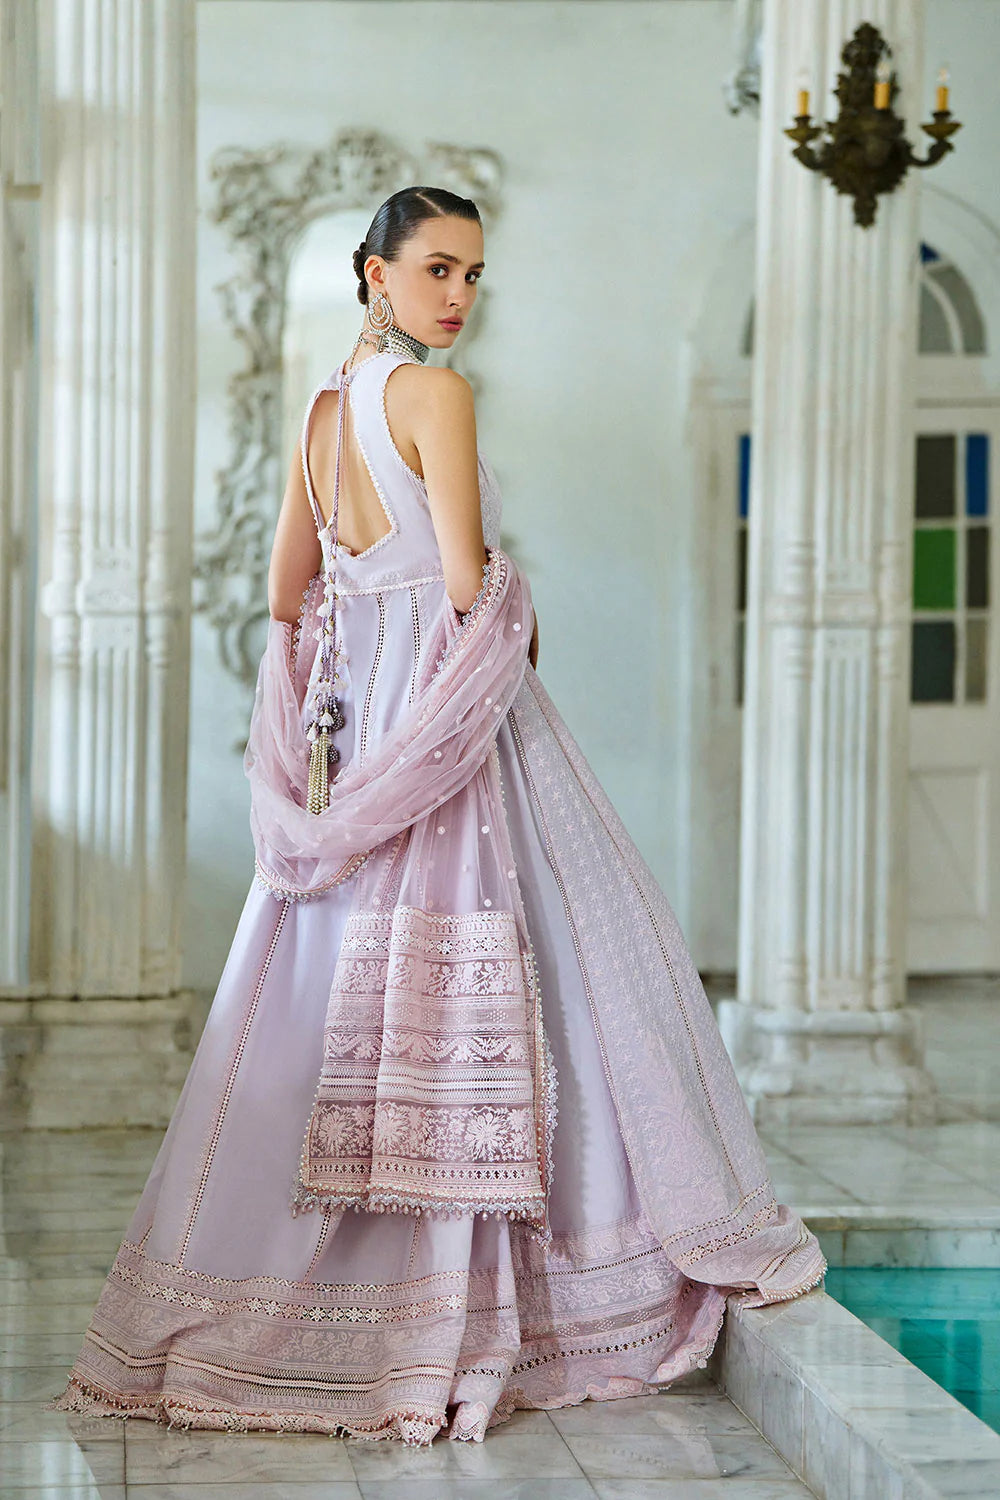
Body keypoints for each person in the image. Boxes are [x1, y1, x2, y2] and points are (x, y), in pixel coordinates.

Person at [51, 185, 824, 1446]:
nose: (458, 295)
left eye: (473, 274)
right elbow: (470, 585)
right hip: (455, 732)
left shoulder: (321, 414)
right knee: (556, 968)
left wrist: (358, 689)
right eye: (436, 269)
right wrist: (506, 626)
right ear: (376, 272)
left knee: (326, 988)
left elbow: (287, 591)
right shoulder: (435, 396)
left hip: (360, 735)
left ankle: (303, 1300)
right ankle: (517, 1292)